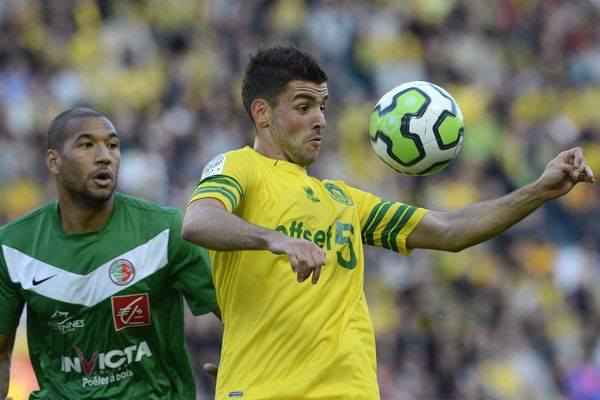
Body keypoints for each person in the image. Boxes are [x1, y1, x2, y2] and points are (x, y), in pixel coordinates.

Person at [181, 45, 595, 400]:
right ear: (262, 113)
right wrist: (277, 240)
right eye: (304, 107)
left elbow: (449, 231)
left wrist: (540, 189)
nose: (320, 120)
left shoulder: (343, 199)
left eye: (323, 108)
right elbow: (198, 220)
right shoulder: (240, 167)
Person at [0, 107, 219, 400]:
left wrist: (244, 372)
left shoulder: (165, 231)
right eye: (86, 144)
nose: (105, 156)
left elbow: (236, 317)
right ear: (54, 161)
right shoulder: (14, 246)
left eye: (113, 145)